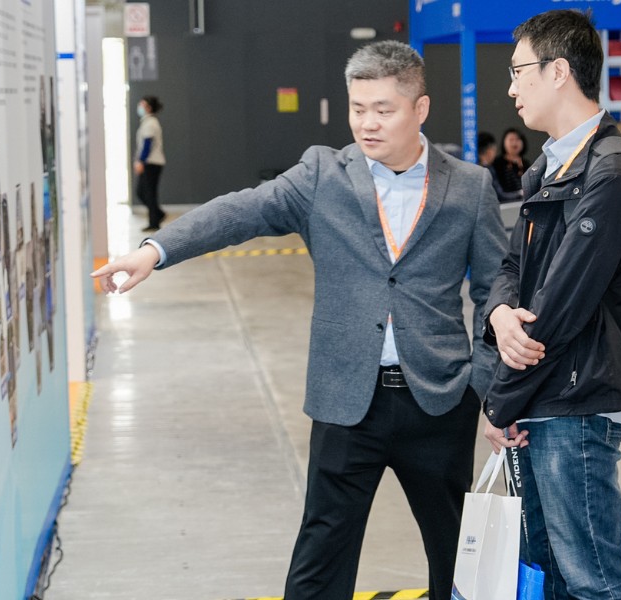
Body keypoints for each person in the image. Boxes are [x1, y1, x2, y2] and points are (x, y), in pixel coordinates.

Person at [90, 41, 506, 600]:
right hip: (346, 403)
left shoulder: (470, 187)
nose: (367, 123)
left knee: (457, 562)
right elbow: (240, 211)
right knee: (319, 565)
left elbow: (495, 292)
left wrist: (483, 384)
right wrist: (155, 250)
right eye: (358, 108)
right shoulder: (322, 175)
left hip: (439, 402)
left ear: (421, 109)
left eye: (383, 109)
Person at [479, 10, 621, 599]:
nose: (511, 87)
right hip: (544, 396)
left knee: (593, 582)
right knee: (548, 580)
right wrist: (499, 315)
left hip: (577, 400)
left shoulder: (613, 173)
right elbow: (512, 269)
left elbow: (560, 307)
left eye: (518, 70)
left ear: (558, 71)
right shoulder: (548, 168)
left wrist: (499, 402)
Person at [134, 95, 167, 231]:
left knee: (147, 193)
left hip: (151, 163)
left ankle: (155, 219)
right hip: (150, 163)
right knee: (144, 193)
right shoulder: (148, 122)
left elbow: (147, 144)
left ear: (148, 107)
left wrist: (141, 161)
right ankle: (157, 216)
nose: (139, 107)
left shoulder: (151, 123)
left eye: (142, 104)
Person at [494, 128, 531, 198]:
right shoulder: (497, 163)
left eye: (517, 139)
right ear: (504, 142)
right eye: (511, 140)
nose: (514, 143)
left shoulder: (526, 164)